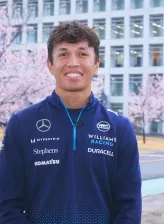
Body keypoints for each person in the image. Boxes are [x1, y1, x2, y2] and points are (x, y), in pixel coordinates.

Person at [0, 21, 142, 223]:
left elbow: (129, 205)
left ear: (96, 65)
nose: (73, 62)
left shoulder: (119, 128)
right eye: (63, 54)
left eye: (82, 54)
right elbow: (7, 204)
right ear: (50, 65)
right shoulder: (22, 124)